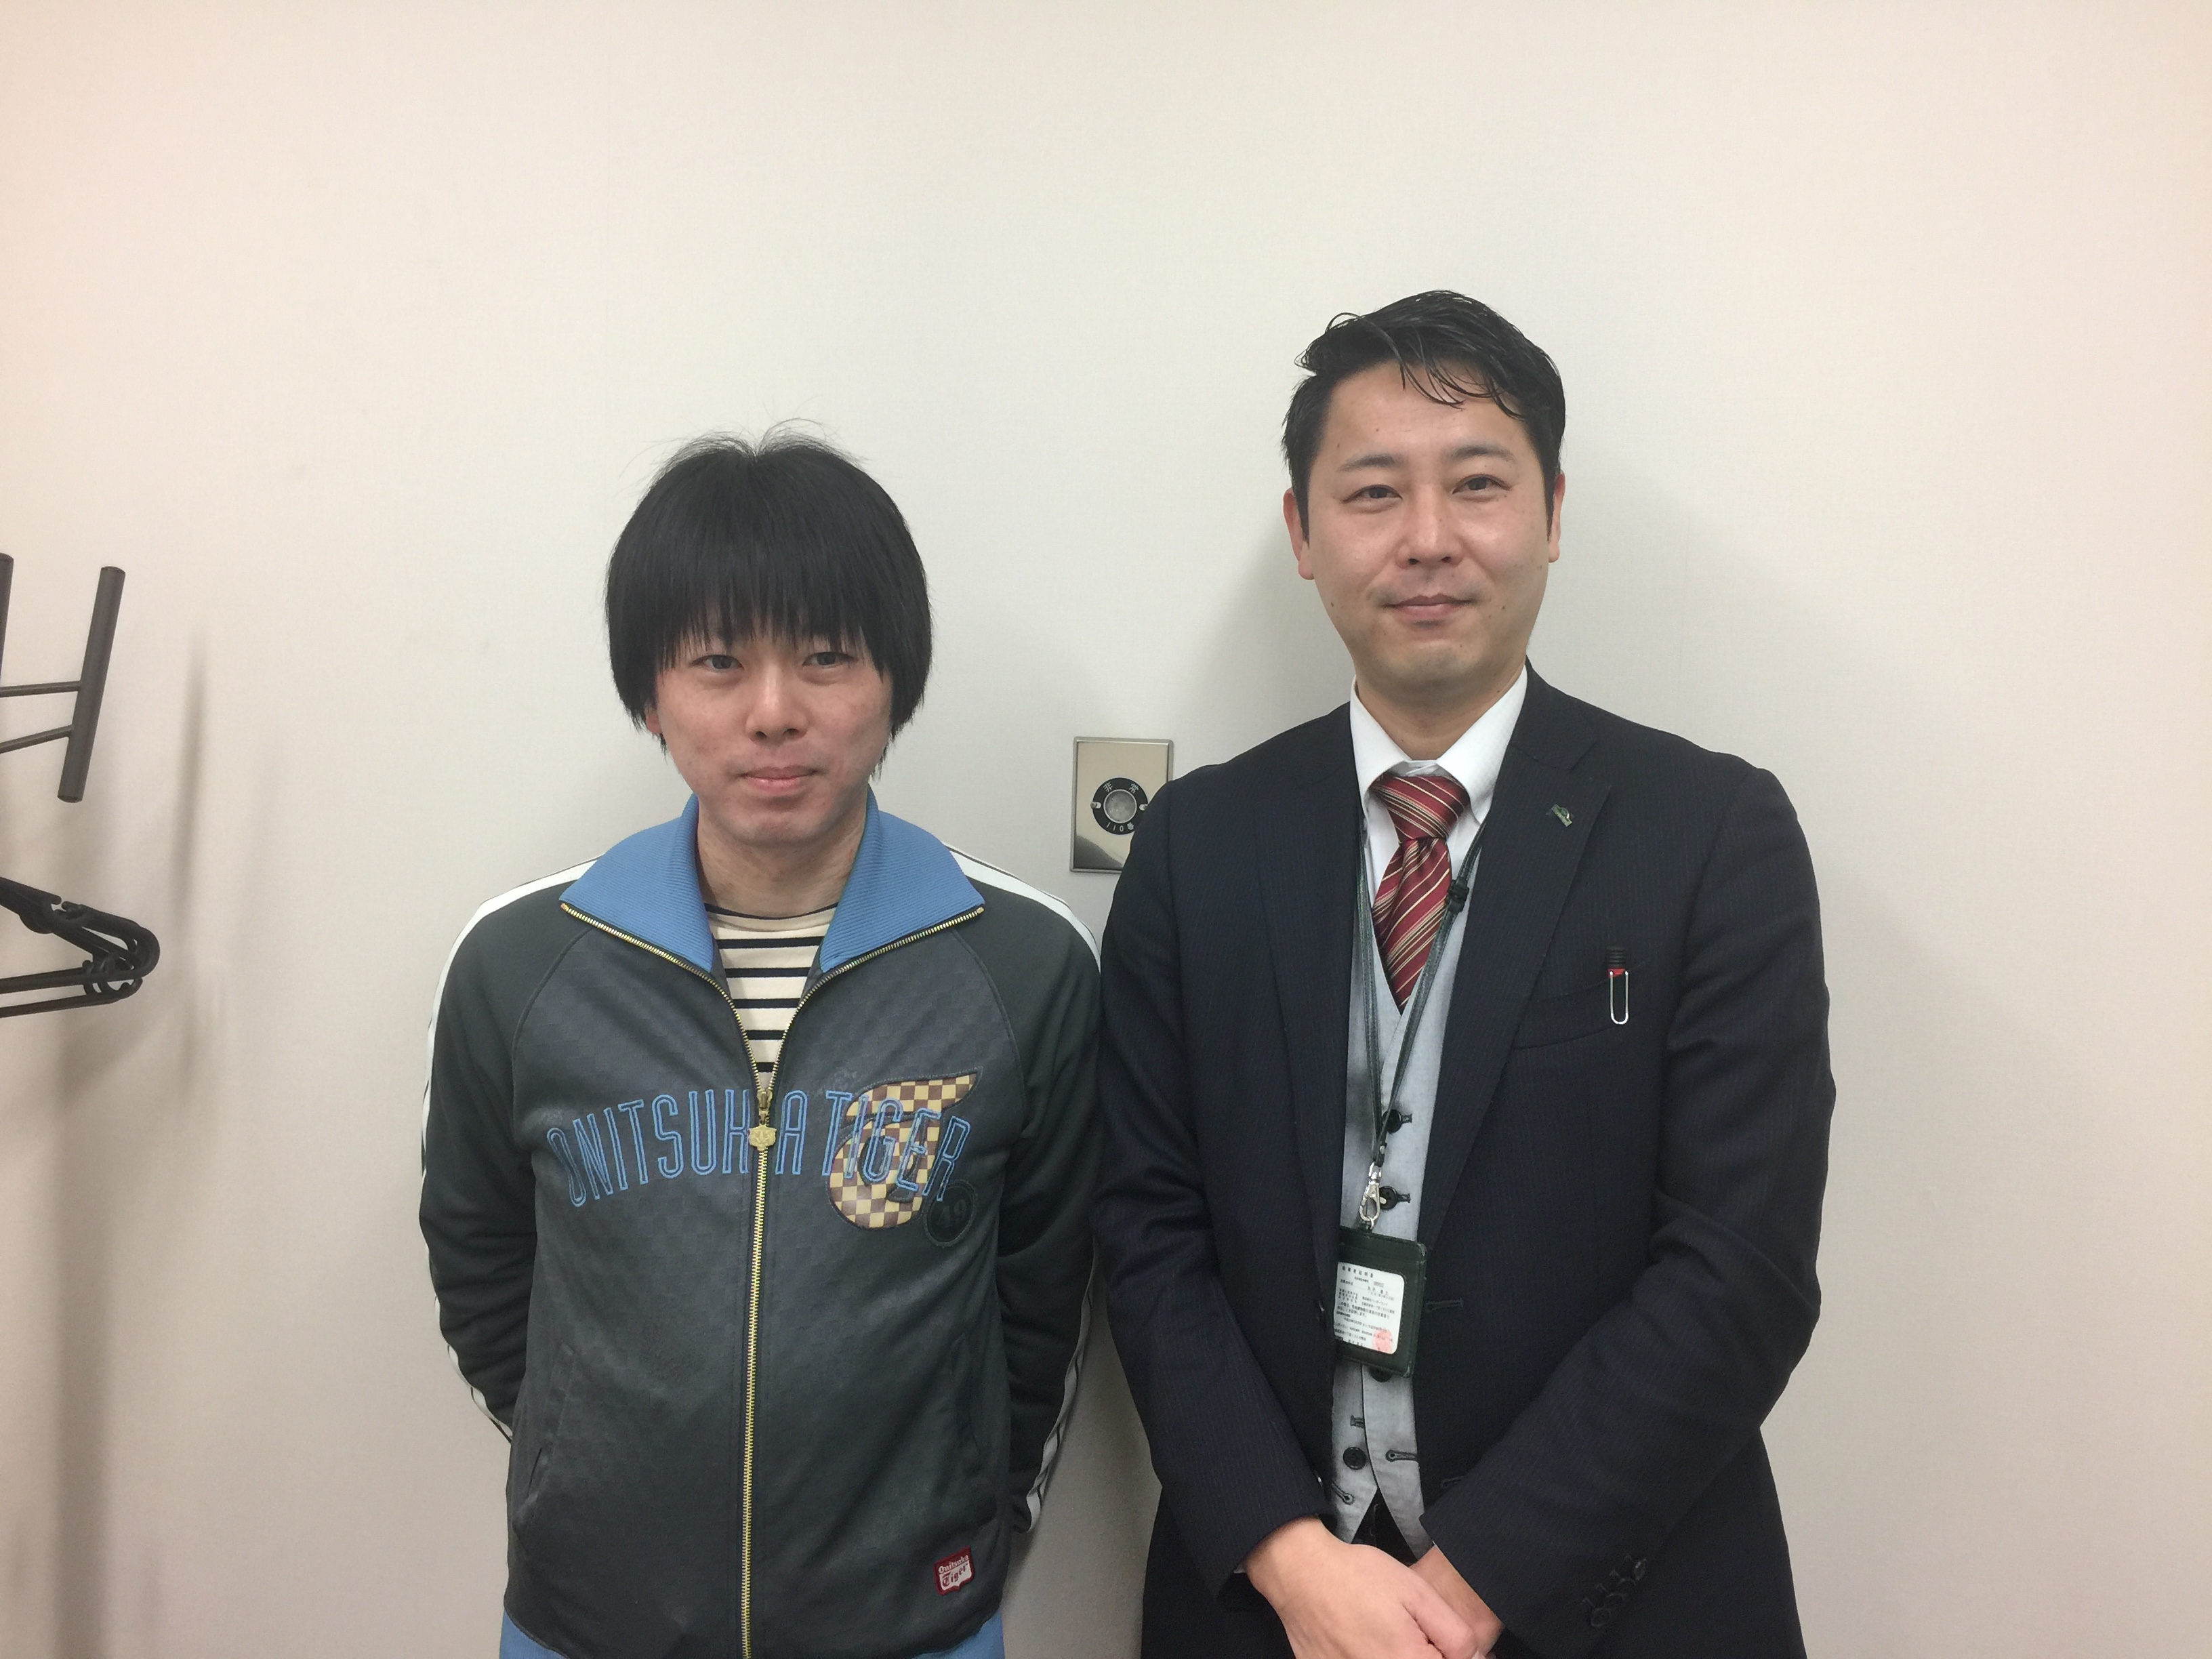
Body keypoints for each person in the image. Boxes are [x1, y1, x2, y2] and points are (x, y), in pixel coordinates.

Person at [1094, 292, 1833, 1659]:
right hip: (1275, 1609)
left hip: (1619, 1602)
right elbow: (1145, 1232)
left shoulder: (1709, 834)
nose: (1427, 537)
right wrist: (1293, 1563)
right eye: (1373, 491)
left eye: (1478, 484)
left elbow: (1740, 1271)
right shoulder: (1199, 846)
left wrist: (1469, 1589)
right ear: (1303, 533)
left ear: (1551, 514)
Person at [421, 432, 1100, 1659]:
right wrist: (592, 1464)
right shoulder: (521, 965)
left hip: (912, 1622)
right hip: (590, 1621)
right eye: (719, 662)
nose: (774, 713)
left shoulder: (1022, 964)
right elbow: (480, 1260)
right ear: (650, 692)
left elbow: (1043, 1297)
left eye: (827, 657)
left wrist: (965, 1515)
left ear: (895, 679)